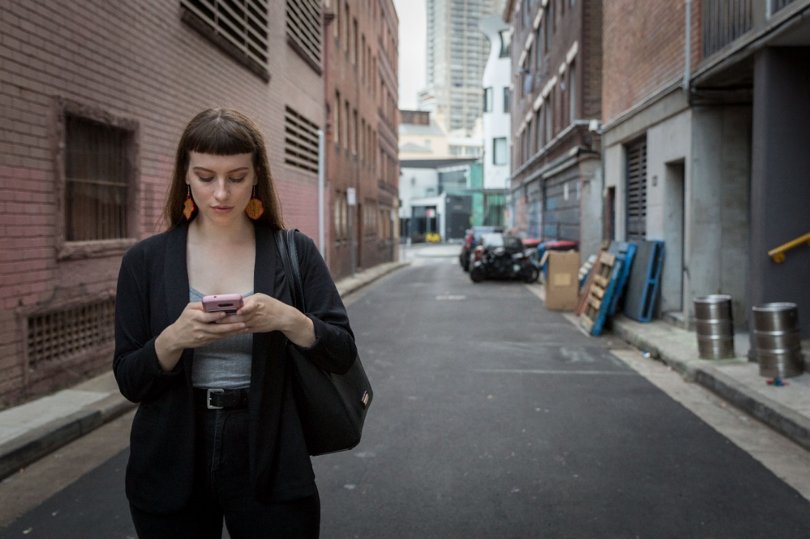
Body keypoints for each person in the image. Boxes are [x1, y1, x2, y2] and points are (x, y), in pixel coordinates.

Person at [113, 108, 357, 538]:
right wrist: (172, 339)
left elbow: (341, 351)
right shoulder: (145, 262)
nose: (221, 193)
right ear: (185, 176)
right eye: (206, 177)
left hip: (271, 446)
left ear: (257, 176)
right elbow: (130, 381)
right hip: (170, 453)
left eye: (237, 176)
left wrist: (286, 318)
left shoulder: (294, 251)